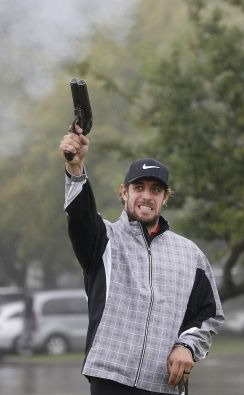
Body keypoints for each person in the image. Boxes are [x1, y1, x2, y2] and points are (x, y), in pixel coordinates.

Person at [59, 126, 224, 395]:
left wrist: (187, 346)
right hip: (109, 379)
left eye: (156, 189)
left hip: (164, 385)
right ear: (124, 192)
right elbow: (80, 216)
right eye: (139, 187)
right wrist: (75, 168)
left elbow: (209, 314)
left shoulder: (190, 255)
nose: (147, 195)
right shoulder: (103, 240)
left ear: (165, 198)